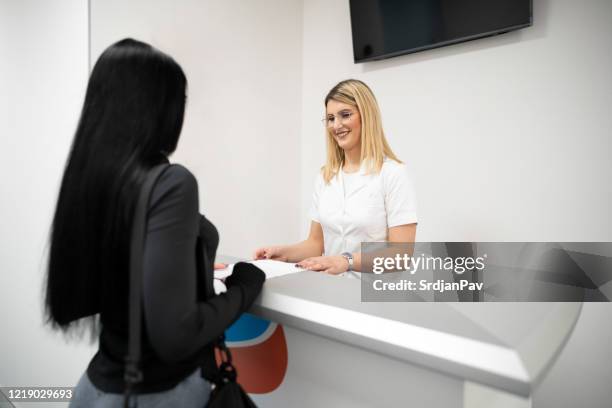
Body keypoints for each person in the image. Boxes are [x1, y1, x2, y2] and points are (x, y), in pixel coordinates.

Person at [45, 39, 265, 407]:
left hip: (95, 390)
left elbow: (123, 276)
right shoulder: (170, 183)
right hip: (159, 395)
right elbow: (176, 334)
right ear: (160, 108)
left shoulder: (94, 179)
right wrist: (245, 286)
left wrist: (187, 271)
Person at [253, 79, 417, 275]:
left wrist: (346, 261)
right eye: (330, 118)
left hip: (375, 293)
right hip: (330, 288)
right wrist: (283, 253)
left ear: (367, 116)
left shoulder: (392, 173)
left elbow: (401, 256)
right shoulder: (326, 176)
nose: (336, 125)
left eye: (345, 115)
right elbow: (315, 244)